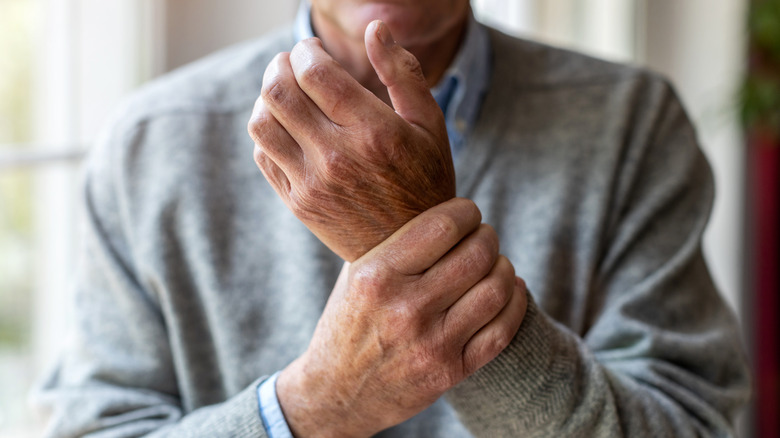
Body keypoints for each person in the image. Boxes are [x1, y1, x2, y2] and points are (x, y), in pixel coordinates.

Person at [36, 0, 751, 436]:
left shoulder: (629, 122)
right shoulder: (151, 142)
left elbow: (687, 426)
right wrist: (314, 408)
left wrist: (414, 241)